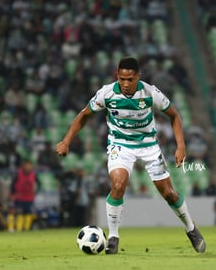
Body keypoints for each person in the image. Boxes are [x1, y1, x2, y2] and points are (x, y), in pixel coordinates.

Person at [56, 57, 206, 254]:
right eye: (121, 79)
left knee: (168, 192)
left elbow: (174, 115)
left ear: (138, 76)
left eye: (130, 79)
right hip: (120, 145)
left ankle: (191, 228)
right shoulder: (107, 93)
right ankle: (114, 237)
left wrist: (181, 146)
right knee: (118, 185)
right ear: (117, 76)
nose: (125, 84)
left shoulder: (150, 93)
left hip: (149, 146)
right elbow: (84, 114)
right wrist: (66, 140)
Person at [8, 159, 41, 231]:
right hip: (19, 197)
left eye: (29, 165)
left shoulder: (33, 174)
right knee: (19, 213)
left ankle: (26, 228)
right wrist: (12, 194)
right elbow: (12, 184)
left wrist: (36, 192)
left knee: (28, 213)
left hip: (29, 197)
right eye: (26, 165)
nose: (28, 167)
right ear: (23, 166)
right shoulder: (18, 173)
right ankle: (19, 228)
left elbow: (39, 184)